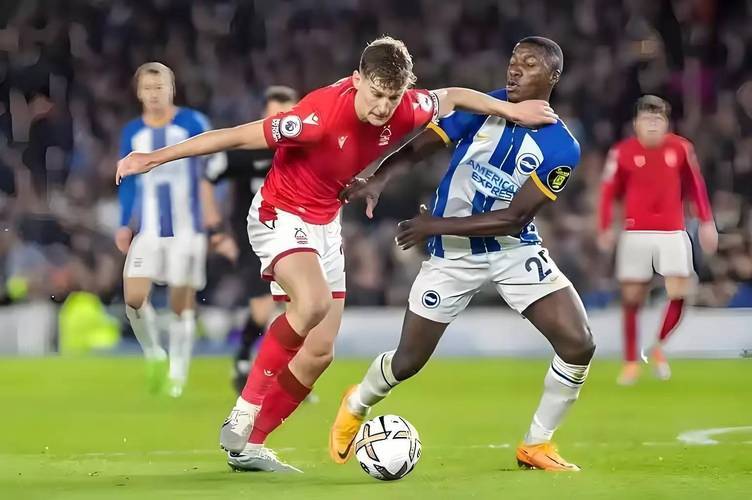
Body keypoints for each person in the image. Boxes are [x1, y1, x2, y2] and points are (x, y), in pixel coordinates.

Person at [116, 36, 557, 472]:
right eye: (376, 94)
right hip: (280, 213)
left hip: (326, 223)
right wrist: (153, 158)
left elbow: (454, 96)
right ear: (356, 79)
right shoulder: (317, 118)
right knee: (312, 304)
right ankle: (243, 411)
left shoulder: (408, 107)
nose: (383, 107)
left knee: (319, 353)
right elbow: (235, 136)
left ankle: (250, 446)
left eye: (392, 97)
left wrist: (511, 111)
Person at [330, 37, 592, 472]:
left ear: (553, 76)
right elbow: (424, 145)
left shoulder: (562, 147)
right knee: (408, 361)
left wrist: (433, 225)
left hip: (512, 249)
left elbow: (514, 218)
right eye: (513, 60)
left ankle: (537, 444)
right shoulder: (483, 106)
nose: (515, 69)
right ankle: (357, 403)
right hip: (453, 256)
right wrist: (378, 178)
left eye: (528, 64)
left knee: (578, 343)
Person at [117, 62, 227, 397]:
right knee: (134, 299)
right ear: (138, 92)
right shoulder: (133, 133)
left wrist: (213, 219)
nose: (154, 94)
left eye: (159, 87)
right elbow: (128, 183)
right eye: (147, 88)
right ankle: (154, 353)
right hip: (149, 230)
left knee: (181, 304)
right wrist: (124, 223)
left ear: (172, 89)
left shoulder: (192, 123)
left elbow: (214, 169)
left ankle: (178, 374)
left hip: (187, 230)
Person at [597, 95, 717, 385]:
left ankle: (657, 345)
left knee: (681, 292)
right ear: (635, 124)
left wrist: (706, 221)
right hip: (635, 232)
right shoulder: (622, 152)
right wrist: (605, 226)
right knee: (631, 299)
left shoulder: (681, 148)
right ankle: (630, 363)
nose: (652, 125)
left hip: (672, 231)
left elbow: (696, 185)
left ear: (666, 123)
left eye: (658, 119)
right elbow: (608, 191)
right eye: (647, 119)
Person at [202, 86, 298, 394]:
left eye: (286, 113)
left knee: (298, 306)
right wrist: (215, 228)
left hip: (295, 235)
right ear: (264, 115)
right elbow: (208, 177)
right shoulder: (247, 147)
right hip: (254, 238)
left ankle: (284, 373)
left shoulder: (304, 148)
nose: (281, 120)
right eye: (275, 114)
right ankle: (244, 358)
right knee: (262, 308)